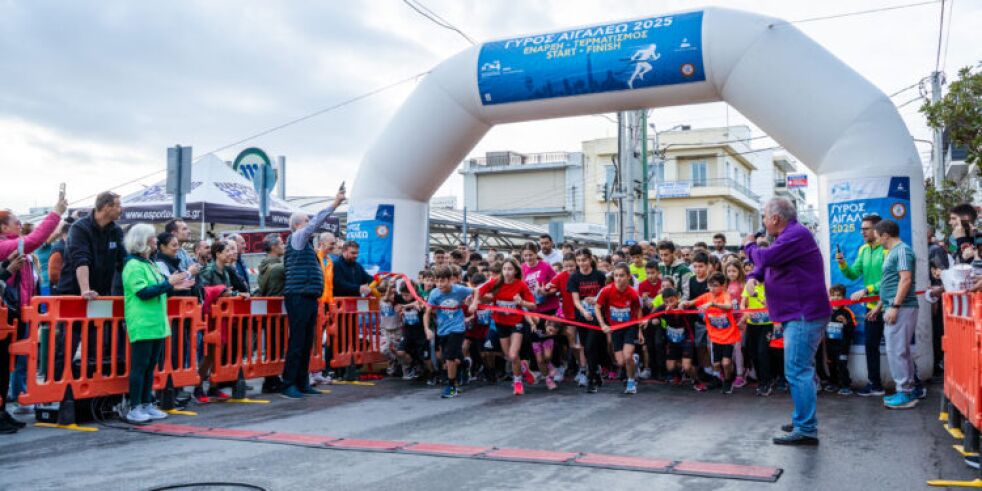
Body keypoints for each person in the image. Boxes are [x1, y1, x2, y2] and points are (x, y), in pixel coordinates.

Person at [744, 197, 831, 446]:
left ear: (775, 218)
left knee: (797, 370)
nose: (763, 221)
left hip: (803, 314)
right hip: (798, 313)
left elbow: (764, 257)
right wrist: (753, 276)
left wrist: (748, 245)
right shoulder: (788, 236)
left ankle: (806, 428)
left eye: (764, 216)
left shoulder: (795, 235)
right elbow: (768, 264)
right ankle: (802, 419)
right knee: (799, 370)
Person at [0, 196, 66, 430]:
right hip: (8, 313)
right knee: (4, 363)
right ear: (3, 227)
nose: (20, 225)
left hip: (19, 313)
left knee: (9, 363)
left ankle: (4, 411)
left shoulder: (17, 248)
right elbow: (36, 239)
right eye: (16, 222)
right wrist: (56, 213)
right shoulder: (5, 245)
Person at [121, 224, 193, 424]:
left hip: (155, 321)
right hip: (142, 321)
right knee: (140, 366)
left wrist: (174, 285)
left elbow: (159, 289)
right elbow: (143, 292)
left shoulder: (148, 263)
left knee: (150, 366)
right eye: (152, 237)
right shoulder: (133, 265)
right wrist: (169, 283)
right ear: (143, 240)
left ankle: (146, 403)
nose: (155, 240)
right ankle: (135, 406)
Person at [54, 191, 125, 382]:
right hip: (73, 295)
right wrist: (85, 289)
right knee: (66, 345)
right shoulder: (79, 227)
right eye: (118, 205)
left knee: (98, 346)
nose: (121, 209)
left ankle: (91, 390)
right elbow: (81, 259)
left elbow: (124, 261)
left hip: (101, 296)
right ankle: (58, 387)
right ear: (106, 207)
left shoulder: (116, 231)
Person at [280, 190, 344, 399]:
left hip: (306, 296)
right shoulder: (298, 237)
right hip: (298, 295)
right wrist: (334, 204)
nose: (310, 224)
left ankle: (301, 382)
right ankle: (289, 384)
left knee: (306, 341)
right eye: (306, 221)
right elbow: (315, 223)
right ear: (299, 224)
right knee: (298, 341)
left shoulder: (303, 244)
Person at [869, 219, 920, 409]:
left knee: (896, 351)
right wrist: (880, 306)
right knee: (901, 351)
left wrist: (895, 306)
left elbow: (905, 280)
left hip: (901, 307)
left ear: (885, 235)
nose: (876, 241)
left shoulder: (902, 251)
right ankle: (909, 390)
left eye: (877, 237)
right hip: (896, 306)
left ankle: (904, 392)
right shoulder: (895, 252)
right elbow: (889, 283)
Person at [835, 214, 887, 397]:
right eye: (861, 229)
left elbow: (889, 280)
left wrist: (867, 289)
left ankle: (915, 385)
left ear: (877, 229)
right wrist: (842, 263)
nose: (862, 232)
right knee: (870, 346)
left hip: (890, 306)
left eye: (866, 229)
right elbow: (852, 274)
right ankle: (875, 385)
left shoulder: (887, 249)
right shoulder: (863, 249)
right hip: (871, 307)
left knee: (899, 349)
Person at [476, 258, 536, 395]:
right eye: (504, 269)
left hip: (516, 323)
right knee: (509, 356)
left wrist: (521, 302)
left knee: (513, 355)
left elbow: (533, 306)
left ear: (515, 271)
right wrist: (475, 301)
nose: (507, 272)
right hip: (501, 323)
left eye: (510, 269)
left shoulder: (521, 285)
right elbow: (477, 292)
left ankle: (517, 382)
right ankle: (523, 368)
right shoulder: (496, 283)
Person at [683, 272, 741, 394]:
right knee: (716, 364)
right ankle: (722, 377)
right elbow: (691, 302)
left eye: (715, 285)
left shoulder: (725, 295)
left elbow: (728, 306)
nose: (712, 288)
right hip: (715, 337)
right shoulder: (707, 296)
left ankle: (728, 381)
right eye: (710, 285)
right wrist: (683, 303)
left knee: (726, 363)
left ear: (723, 286)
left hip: (729, 336)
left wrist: (713, 304)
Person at [424, 265, 473, 398]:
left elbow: (476, 291)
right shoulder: (434, 293)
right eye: (437, 281)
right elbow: (427, 313)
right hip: (442, 329)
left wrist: (472, 303)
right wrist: (427, 329)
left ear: (450, 279)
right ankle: (465, 364)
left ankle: (451, 387)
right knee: (451, 358)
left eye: (442, 281)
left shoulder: (459, 289)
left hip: (457, 328)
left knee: (449, 358)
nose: (439, 284)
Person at [596, 263, 642, 394]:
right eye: (616, 276)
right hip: (615, 328)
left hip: (629, 327)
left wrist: (640, 330)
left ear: (628, 277)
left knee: (627, 356)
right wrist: (603, 325)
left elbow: (638, 309)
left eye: (621, 276)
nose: (618, 279)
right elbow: (597, 307)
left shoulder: (633, 292)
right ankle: (634, 360)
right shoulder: (606, 290)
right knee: (621, 362)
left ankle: (631, 382)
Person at [568, 248, 608, 393]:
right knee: (586, 347)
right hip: (582, 317)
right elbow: (575, 300)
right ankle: (596, 372)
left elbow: (606, 295)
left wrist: (596, 300)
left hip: (597, 317)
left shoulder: (600, 276)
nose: (581, 263)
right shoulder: (574, 277)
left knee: (591, 346)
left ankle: (592, 380)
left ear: (590, 259)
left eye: (584, 260)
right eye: (578, 261)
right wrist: (583, 311)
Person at [653, 288, 703, 391]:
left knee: (687, 366)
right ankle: (678, 375)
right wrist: (654, 320)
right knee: (670, 367)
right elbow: (652, 316)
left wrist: (684, 307)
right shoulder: (662, 308)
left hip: (686, 339)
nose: (669, 304)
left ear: (678, 298)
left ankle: (696, 381)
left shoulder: (685, 306)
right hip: (672, 340)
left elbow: (697, 310)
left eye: (672, 300)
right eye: (666, 302)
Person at [742, 277, 774, 397]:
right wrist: (745, 311)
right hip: (752, 324)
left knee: (762, 352)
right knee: (753, 353)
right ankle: (761, 381)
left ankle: (767, 382)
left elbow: (777, 302)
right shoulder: (750, 284)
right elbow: (742, 303)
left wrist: (768, 304)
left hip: (766, 324)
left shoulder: (770, 285)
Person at [826, 284, 856, 396]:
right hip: (829, 345)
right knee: (831, 364)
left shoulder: (847, 312)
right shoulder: (827, 311)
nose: (836, 297)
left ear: (843, 297)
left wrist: (845, 323)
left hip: (843, 345)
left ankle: (846, 386)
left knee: (842, 365)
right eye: (833, 295)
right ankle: (833, 383)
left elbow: (852, 329)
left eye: (839, 295)